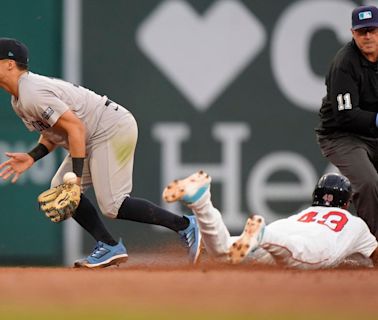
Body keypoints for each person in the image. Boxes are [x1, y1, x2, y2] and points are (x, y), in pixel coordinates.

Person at [0, 38, 201, 268]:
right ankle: (109, 246)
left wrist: (75, 178)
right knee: (60, 188)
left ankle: (186, 225)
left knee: (112, 204)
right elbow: (54, 131)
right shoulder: (19, 100)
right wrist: (32, 156)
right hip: (93, 134)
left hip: (111, 128)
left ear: (10, 64)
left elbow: (75, 128)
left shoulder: (32, 93)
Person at [163, 171, 378, 269]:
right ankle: (262, 234)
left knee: (223, 253)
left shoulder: (304, 213)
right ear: (346, 203)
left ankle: (202, 204)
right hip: (305, 245)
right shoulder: (355, 224)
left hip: (281, 233)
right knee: (302, 255)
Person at [316, 5, 378, 241]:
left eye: (372, 30)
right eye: (362, 32)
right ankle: (373, 247)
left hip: (372, 132)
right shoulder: (344, 63)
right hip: (341, 135)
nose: (368, 36)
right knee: (369, 182)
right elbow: (346, 116)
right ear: (353, 33)